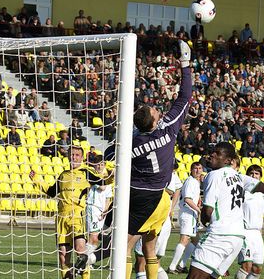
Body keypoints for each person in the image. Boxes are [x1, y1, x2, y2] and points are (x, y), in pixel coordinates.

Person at [79, 40, 193, 279]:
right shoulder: (167, 130)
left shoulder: (128, 144)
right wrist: (185, 64)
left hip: (133, 194)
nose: (157, 110)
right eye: (154, 111)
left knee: (135, 246)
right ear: (153, 121)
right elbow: (184, 97)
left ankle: (93, 255)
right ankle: (95, 257)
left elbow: (109, 155)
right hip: (155, 197)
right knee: (137, 248)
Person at [187, 142, 264, 279]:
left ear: (228, 160)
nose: (212, 154)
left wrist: (204, 219)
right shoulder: (238, 177)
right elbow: (263, 187)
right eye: (213, 151)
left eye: (217, 153)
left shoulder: (214, 175)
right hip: (237, 239)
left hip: (219, 235)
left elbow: (208, 210)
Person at [30, 145, 104, 278]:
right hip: (61, 217)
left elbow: (103, 181)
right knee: (63, 256)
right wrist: (36, 180)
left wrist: (109, 171)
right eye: (72, 154)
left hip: (77, 216)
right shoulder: (63, 175)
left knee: (81, 251)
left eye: (77, 155)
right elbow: (52, 192)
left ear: (81, 158)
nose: (74, 157)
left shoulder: (86, 173)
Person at [134, 163, 183, 279]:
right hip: (154, 215)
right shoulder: (162, 173)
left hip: (159, 216)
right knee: (145, 256)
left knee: (151, 256)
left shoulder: (170, 175)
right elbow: (172, 190)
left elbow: (174, 190)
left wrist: (171, 207)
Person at [236, 164, 264, 279]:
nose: (254, 176)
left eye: (256, 174)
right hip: (244, 232)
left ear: (260, 176)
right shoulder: (242, 192)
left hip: (257, 234)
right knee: (247, 266)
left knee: (257, 269)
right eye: (251, 173)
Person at [167, 162, 204, 274]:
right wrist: (198, 209)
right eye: (195, 168)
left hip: (191, 215)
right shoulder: (190, 181)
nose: (198, 170)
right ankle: (172, 267)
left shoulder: (195, 182)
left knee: (196, 241)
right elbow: (187, 199)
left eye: (200, 168)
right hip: (187, 214)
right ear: (191, 170)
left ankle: (182, 265)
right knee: (184, 240)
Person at [85, 155, 114, 256]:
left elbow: (108, 198)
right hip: (92, 208)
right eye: (98, 165)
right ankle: (85, 260)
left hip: (101, 212)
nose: (100, 167)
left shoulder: (108, 179)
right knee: (93, 238)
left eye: (102, 164)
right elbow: (102, 188)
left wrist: (105, 211)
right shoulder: (93, 176)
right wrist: (111, 177)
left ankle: (86, 260)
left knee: (95, 238)